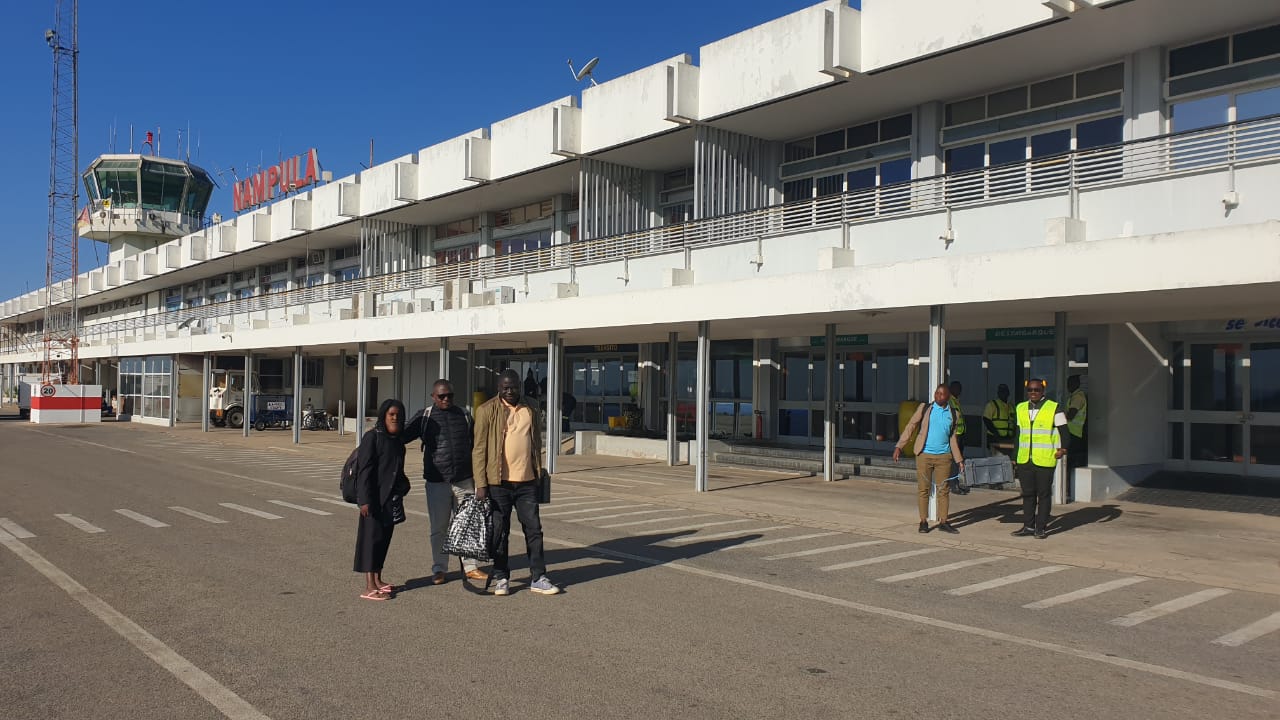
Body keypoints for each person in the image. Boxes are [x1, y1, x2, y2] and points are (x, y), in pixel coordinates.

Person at [473, 369, 559, 596]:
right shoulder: (486, 410)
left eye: (513, 387)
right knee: (500, 532)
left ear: (520, 386)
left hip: (527, 483)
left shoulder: (531, 407)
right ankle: (502, 577)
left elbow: (535, 440)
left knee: (534, 530)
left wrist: (538, 471)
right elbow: (479, 449)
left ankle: (538, 577)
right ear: (498, 388)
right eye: (505, 388)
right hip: (498, 483)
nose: (510, 391)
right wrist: (481, 484)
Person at [404, 379, 488, 586]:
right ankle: (439, 568)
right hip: (437, 482)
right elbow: (402, 436)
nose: (446, 399)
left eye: (449, 395)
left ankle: (470, 567)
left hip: (464, 479)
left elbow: (477, 445)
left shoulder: (464, 415)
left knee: (467, 524)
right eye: (441, 396)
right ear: (433, 397)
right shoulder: (425, 417)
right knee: (439, 528)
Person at [354, 398, 411, 601]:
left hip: (390, 500)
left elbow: (397, 470)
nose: (395, 418)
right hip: (373, 500)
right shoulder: (372, 437)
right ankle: (369, 586)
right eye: (391, 414)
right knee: (371, 542)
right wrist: (364, 500)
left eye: (398, 415)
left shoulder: (397, 441)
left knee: (383, 540)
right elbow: (364, 470)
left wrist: (404, 486)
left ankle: (378, 579)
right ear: (384, 416)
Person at [893, 384, 965, 535]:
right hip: (924, 455)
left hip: (944, 457)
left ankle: (943, 522)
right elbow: (911, 426)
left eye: (942, 394)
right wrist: (899, 446)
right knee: (923, 489)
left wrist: (959, 460)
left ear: (948, 397)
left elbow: (953, 438)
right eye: (937, 393)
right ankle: (923, 522)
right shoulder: (925, 408)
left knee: (943, 490)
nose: (938, 396)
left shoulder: (954, 414)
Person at [1011, 378, 1068, 540]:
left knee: (1043, 495)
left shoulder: (1054, 408)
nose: (1033, 393)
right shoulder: (1020, 408)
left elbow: (1064, 432)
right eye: (1030, 390)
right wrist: (1014, 456)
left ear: (1043, 390)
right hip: (1025, 459)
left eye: (1036, 390)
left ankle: (1040, 528)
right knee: (1028, 494)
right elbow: (1018, 434)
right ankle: (1028, 526)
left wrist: (1063, 449)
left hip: (1045, 459)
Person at [947, 381, 969, 495]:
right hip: (954, 435)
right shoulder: (949, 400)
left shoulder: (956, 400)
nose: (959, 391)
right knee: (955, 461)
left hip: (960, 434)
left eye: (960, 388)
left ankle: (955, 482)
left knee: (958, 460)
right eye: (956, 388)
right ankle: (953, 484)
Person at [983, 384, 1016, 457]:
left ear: (1008, 393)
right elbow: (986, 420)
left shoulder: (1011, 406)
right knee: (997, 460)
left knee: (1008, 460)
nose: (1003, 393)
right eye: (1001, 391)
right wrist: (995, 432)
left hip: (1008, 439)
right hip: (995, 439)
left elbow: (1014, 422)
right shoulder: (992, 404)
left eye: (1005, 391)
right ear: (998, 393)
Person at [1065, 375, 1088, 470]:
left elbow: (1071, 414)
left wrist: (1060, 417)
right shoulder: (1075, 396)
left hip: (1075, 432)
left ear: (1077, 384)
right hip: (1074, 431)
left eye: (1070, 383)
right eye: (1068, 383)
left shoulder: (1077, 397)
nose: (1068, 386)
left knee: (1072, 458)